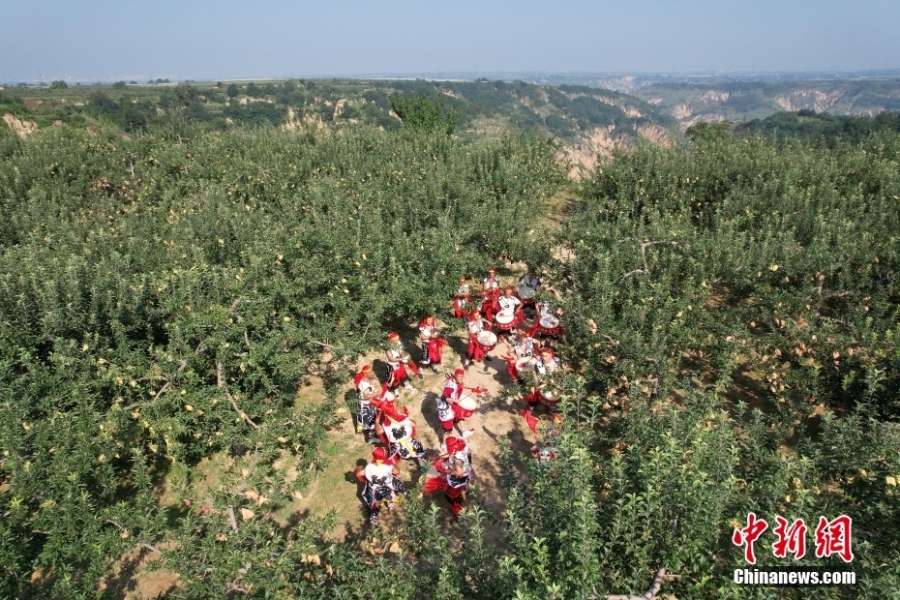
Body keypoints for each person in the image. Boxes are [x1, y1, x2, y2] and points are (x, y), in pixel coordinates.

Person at [423, 437, 474, 520]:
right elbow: (451, 455)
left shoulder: (458, 460)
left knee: (452, 497)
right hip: (461, 471)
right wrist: (440, 458)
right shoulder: (461, 445)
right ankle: (464, 491)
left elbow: (459, 473)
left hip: (458, 478)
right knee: (436, 466)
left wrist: (448, 471)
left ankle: (459, 514)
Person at [355, 447, 406, 526]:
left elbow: (358, 474)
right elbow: (397, 471)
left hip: (374, 489)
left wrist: (359, 467)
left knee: (376, 504)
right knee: (393, 498)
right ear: (384, 455)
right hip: (387, 486)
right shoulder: (388, 467)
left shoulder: (369, 467)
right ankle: (391, 506)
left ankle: (374, 517)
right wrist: (394, 462)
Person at [437, 368, 483, 441]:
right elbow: (444, 397)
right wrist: (455, 400)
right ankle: (444, 445)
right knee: (447, 430)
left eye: (461, 377)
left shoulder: (456, 380)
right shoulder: (450, 386)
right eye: (458, 377)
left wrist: (472, 388)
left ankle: (463, 431)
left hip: (454, 402)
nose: (460, 378)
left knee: (459, 413)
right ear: (455, 376)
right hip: (447, 406)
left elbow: (462, 384)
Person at [353, 365, 381, 445]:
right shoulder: (366, 385)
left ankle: (360, 430)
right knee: (371, 421)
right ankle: (371, 438)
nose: (372, 373)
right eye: (370, 372)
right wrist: (376, 393)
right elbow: (366, 396)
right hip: (366, 405)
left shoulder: (362, 380)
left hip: (361, 404)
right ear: (365, 374)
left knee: (362, 418)